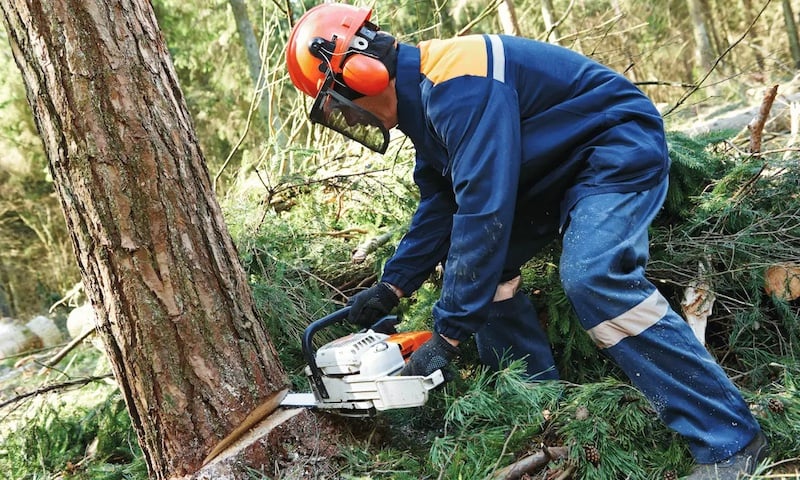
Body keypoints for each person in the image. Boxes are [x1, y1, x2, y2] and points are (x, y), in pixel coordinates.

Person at [285, 3, 767, 478]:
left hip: (613, 148)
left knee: (593, 277)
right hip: (546, 173)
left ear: (363, 73)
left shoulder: (458, 85)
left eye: (337, 102)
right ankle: (540, 412)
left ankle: (729, 437)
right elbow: (442, 204)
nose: (344, 117)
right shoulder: (424, 101)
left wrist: (447, 335)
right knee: (486, 273)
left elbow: (483, 210)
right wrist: (392, 287)